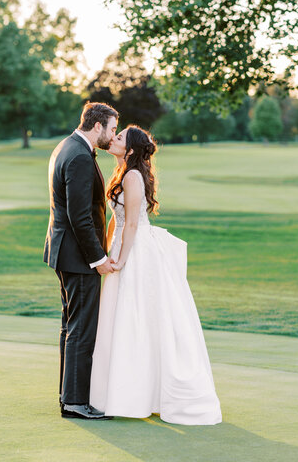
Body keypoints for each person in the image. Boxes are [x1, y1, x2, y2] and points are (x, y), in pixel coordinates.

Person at [90, 125, 222, 425]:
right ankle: (124, 392)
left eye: (120, 137)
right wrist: (105, 250)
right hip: (123, 247)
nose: (114, 139)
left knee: (138, 316)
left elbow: (133, 225)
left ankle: (146, 394)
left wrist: (120, 260)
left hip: (137, 253)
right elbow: (116, 219)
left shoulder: (133, 177)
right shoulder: (122, 173)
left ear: (132, 149)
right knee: (121, 318)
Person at [43, 102, 118, 420]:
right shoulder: (78, 156)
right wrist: (97, 258)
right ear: (98, 125)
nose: (113, 134)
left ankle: (68, 396)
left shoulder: (68, 146)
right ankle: (75, 402)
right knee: (82, 329)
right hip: (78, 258)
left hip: (66, 254)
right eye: (112, 128)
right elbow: (79, 216)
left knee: (70, 327)